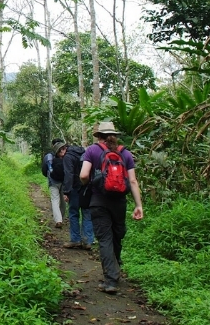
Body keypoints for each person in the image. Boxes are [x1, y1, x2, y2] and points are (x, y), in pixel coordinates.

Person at [79, 121, 143, 294]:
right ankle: (115, 269)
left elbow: (84, 174)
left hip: (98, 201)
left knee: (105, 240)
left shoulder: (92, 151)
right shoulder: (125, 154)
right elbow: (133, 181)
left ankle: (111, 280)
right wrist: (139, 205)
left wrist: (90, 183)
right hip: (120, 203)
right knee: (116, 237)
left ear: (99, 136)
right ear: (115, 136)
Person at [53, 141, 93, 249]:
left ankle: (75, 240)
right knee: (87, 213)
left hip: (75, 188)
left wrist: (66, 192)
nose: (60, 157)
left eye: (59, 154)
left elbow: (69, 174)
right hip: (87, 187)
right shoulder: (83, 151)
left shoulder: (68, 157)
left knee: (73, 213)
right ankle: (88, 241)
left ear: (62, 150)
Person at [42, 140, 65, 228]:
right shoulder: (65, 156)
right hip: (63, 181)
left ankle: (58, 220)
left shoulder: (49, 156)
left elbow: (46, 169)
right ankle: (61, 218)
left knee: (55, 200)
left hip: (53, 182)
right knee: (63, 201)